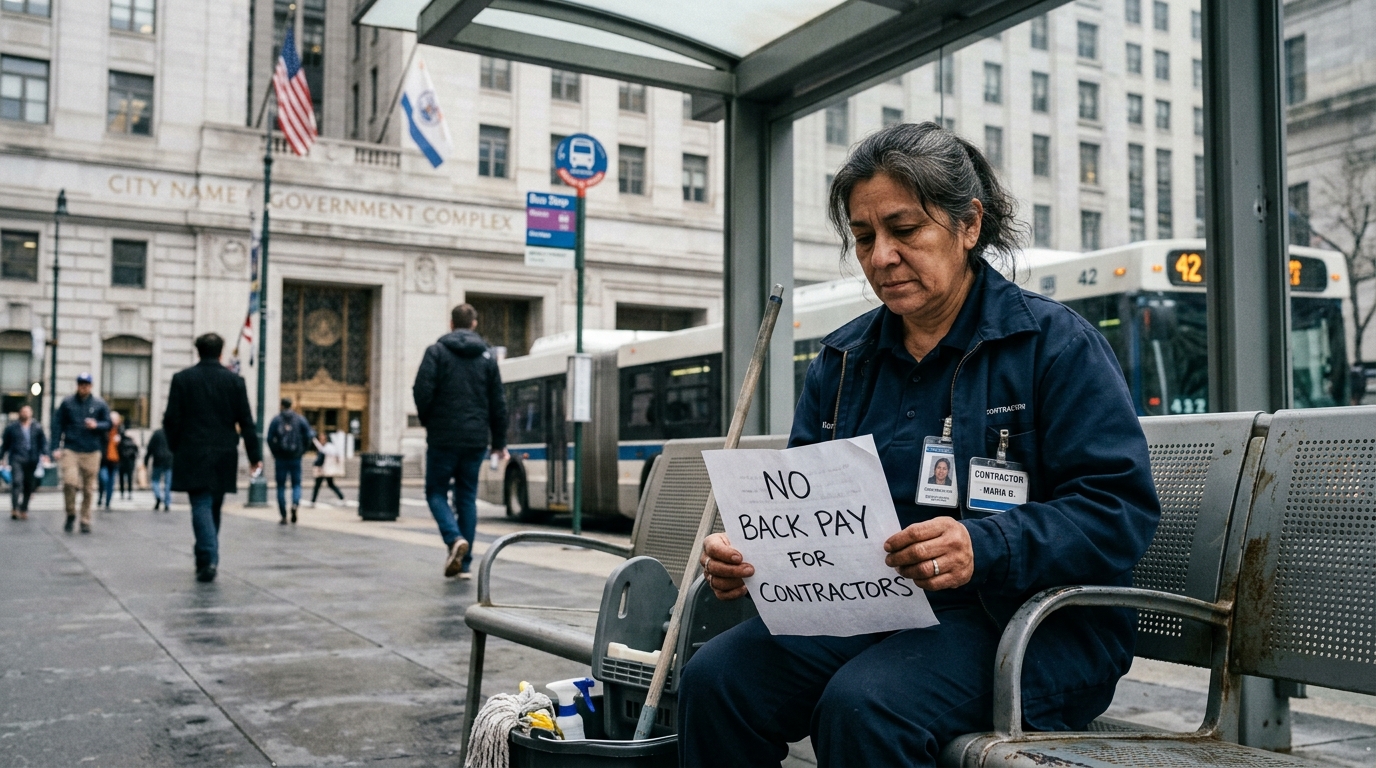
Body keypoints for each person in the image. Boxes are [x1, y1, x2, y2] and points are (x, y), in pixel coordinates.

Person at [683, 123, 1160, 767]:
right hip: (875, 610)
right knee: (717, 680)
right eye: (863, 236)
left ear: (969, 225)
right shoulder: (844, 360)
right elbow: (798, 512)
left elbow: (1117, 513)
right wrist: (751, 555)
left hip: (1029, 624)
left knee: (865, 708)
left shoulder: (1053, 346)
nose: (881, 256)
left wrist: (985, 545)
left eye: (905, 231)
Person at [412, 303, 509, 579]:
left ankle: (454, 539)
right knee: (467, 497)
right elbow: (498, 403)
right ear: (474, 324)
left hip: (443, 437)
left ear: (451, 324)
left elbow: (422, 391)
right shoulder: (487, 358)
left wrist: (430, 421)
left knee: (435, 492)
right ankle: (464, 564)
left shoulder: (436, 352)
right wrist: (498, 442)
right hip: (475, 439)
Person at [163, 333, 262, 582]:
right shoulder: (234, 381)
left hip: (192, 451)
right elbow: (247, 422)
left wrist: (176, 446)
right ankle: (206, 555)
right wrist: (254, 456)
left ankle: (207, 556)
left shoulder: (182, 379)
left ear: (198, 351)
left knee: (202, 503)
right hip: (224, 452)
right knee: (212, 504)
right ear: (221, 352)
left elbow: (170, 420)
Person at [55, 373, 111, 533]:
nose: (83, 386)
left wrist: (97, 425)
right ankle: (71, 512)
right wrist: (55, 447)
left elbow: (108, 423)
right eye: (81, 384)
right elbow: (57, 425)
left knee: (88, 488)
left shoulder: (100, 404)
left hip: (92, 450)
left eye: (86, 384)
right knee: (69, 482)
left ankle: (85, 519)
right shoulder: (67, 403)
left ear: (91, 386)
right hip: (71, 448)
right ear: (77, 385)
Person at [266, 398, 314, 525]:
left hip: (281, 458)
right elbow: (309, 436)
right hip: (295, 458)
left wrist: (275, 453)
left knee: (281, 487)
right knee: (296, 484)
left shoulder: (276, 420)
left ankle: (283, 515)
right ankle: (295, 503)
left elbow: (270, 438)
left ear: (281, 405)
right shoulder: (300, 419)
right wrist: (302, 451)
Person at [2, 405, 48, 519]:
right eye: (23, 411)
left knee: (29, 484)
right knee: (17, 482)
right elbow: (5, 444)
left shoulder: (37, 427)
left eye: (27, 411)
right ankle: (15, 508)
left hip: (32, 459)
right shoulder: (12, 427)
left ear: (31, 413)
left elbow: (43, 442)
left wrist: (45, 454)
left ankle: (24, 508)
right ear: (19, 413)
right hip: (16, 458)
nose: (25, 414)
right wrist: (1, 456)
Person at [310, 435, 346, 506]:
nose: (321, 441)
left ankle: (313, 501)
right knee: (327, 484)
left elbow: (321, 460)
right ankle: (341, 497)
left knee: (322, 485)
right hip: (326, 469)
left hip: (324, 470)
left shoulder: (326, 448)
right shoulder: (327, 447)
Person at [98, 411, 123, 509]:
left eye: (116, 419)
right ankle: (100, 497)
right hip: (104, 460)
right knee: (104, 479)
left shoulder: (120, 431)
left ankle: (108, 502)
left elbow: (124, 446)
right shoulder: (104, 430)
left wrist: (121, 440)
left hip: (115, 460)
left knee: (111, 483)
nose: (114, 421)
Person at [145, 427, 174, 511]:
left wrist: (146, 460)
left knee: (155, 480)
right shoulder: (172, 433)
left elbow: (150, 447)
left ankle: (158, 496)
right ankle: (167, 503)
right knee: (168, 483)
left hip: (158, 460)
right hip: (169, 460)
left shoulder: (157, 433)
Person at [117, 427, 139, 500]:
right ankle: (129, 493)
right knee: (129, 479)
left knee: (122, 479)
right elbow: (136, 453)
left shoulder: (121, 442)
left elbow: (118, 452)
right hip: (130, 463)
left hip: (122, 462)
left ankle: (122, 493)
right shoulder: (132, 442)